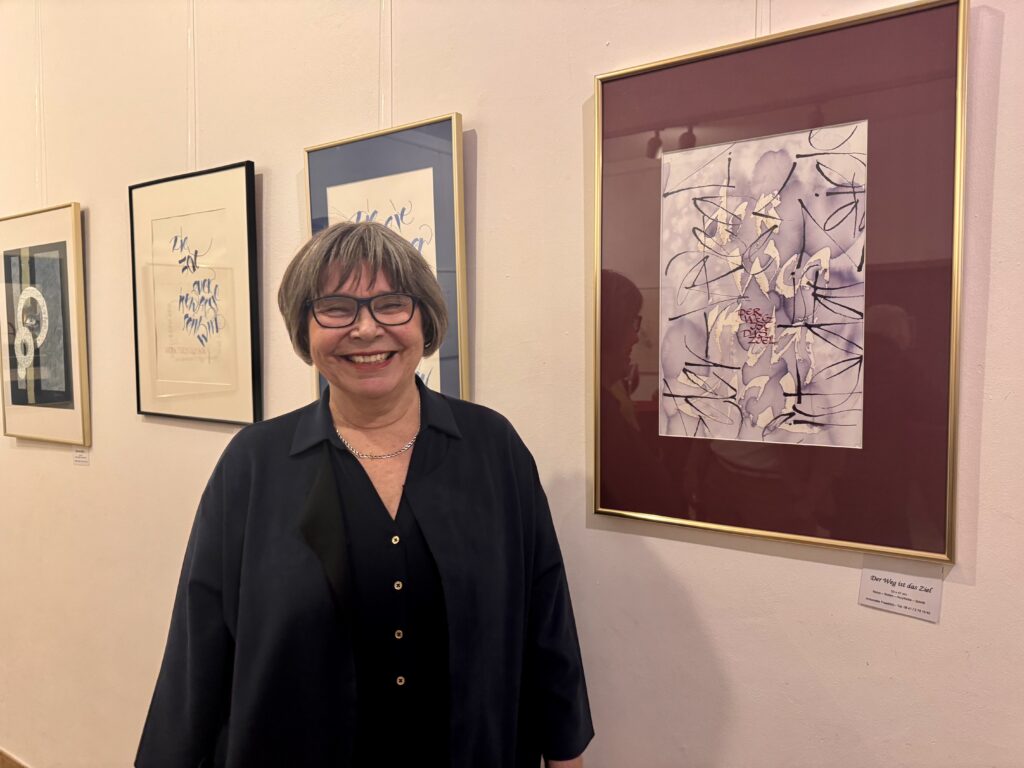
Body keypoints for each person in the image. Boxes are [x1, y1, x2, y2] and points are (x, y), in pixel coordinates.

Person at [136, 221, 593, 767]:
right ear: (305, 329)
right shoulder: (253, 465)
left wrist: (566, 756)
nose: (366, 329)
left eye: (391, 304)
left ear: (424, 320)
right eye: (336, 308)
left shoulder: (493, 449)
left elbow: (546, 620)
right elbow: (198, 648)